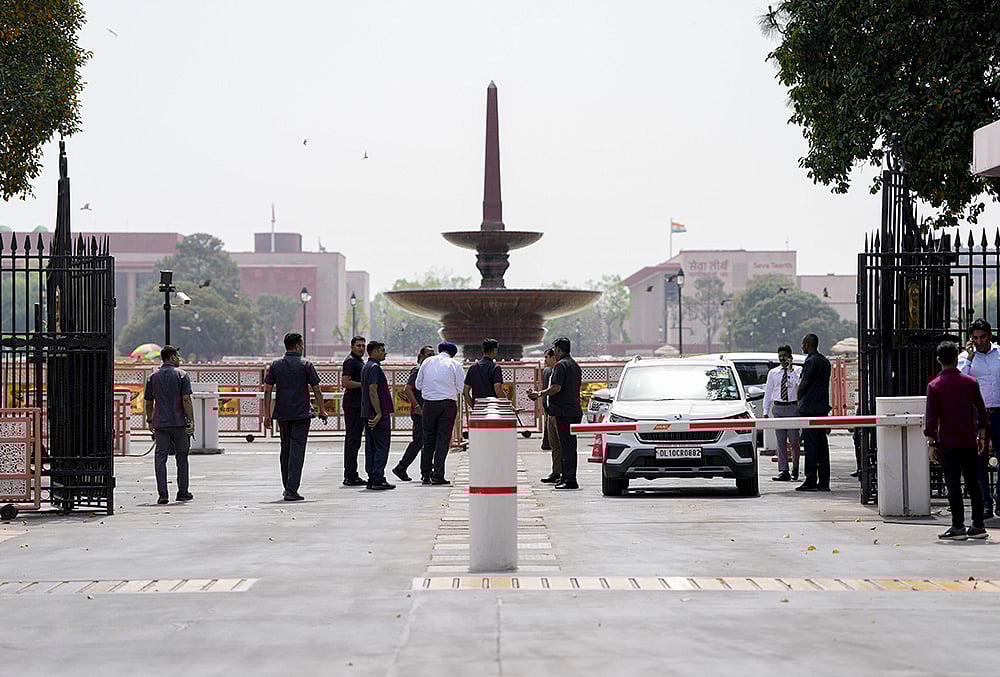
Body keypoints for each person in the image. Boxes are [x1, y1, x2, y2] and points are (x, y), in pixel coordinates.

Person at [925, 341, 989, 540]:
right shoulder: (970, 382)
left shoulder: (934, 386)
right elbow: (981, 410)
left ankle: (958, 526)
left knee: (953, 484)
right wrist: (982, 436)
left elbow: (932, 417)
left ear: (938, 360)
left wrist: (931, 442)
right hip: (969, 440)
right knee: (973, 483)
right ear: (956, 358)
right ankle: (978, 525)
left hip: (947, 441)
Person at [264, 332, 327, 501]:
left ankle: (287, 486)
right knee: (297, 450)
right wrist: (322, 409)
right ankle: (292, 489)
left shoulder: (275, 365)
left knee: (285, 449)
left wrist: (266, 415)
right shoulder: (306, 365)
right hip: (301, 414)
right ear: (298, 345)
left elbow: (267, 390)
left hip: (282, 414)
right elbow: (317, 389)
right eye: (302, 344)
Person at [958, 318, 1000, 519]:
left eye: (982, 337)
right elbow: (958, 380)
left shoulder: (999, 354)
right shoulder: (966, 358)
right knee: (979, 461)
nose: (979, 341)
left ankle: (999, 499)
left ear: (990, 336)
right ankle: (985, 503)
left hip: (999, 412)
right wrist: (970, 358)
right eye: (975, 338)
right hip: (977, 415)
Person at [143, 345, 195, 505]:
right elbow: (186, 399)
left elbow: (149, 402)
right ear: (172, 357)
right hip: (179, 423)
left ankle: (163, 494)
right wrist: (191, 420)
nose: (179, 359)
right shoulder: (182, 375)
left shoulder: (152, 377)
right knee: (182, 457)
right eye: (177, 356)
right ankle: (182, 492)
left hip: (161, 423)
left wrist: (150, 420)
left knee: (160, 458)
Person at [529, 337, 582, 490]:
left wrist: (540, 394)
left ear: (559, 350)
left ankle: (570, 479)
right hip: (573, 410)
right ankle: (565, 476)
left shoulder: (561, 365)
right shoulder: (574, 365)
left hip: (563, 412)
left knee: (566, 446)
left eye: (555, 350)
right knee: (569, 446)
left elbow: (556, 388)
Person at [415, 341, 465, 486]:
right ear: (453, 353)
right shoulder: (455, 364)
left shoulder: (427, 362)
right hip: (447, 405)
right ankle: (438, 475)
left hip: (429, 404)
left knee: (428, 438)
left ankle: (425, 474)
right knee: (443, 440)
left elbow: (418, 385)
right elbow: (460, 387)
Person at [795, 333, 832, 492]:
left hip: (810, 408)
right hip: (822, 408)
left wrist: (798, 398)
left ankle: (810, 480)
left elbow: (804, 384)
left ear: (808, 344)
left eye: (803, 344)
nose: (801, 346)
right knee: (822, 445)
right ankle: (824, 481)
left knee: (811, 446)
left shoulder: (810, 361)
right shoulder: (825, 361)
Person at [392, 345, 435, 482]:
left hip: (427, 411)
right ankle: (402, 467)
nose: (432, 357)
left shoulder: (430, 371)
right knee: (420, 441)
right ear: (421, 356)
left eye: (433, 354)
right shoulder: (417, 371)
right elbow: (407, 389)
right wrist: (416, 406)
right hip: (420, 412)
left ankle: (425, 470)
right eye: (429, 354)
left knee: (425, 442)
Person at [763, 344, 802, 482]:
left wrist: (791, 369)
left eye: (784, 356)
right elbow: (768, 393)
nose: (782, 359)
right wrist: (765, 411)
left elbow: (800, 384)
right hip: (779, 408)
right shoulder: (773, 373)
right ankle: (783, 470)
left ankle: (795, 468)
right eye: (780, 356)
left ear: (790, 356)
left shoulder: (797, 370)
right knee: (780, 442)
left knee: (794, 441)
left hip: (792, 407)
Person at [360, 340, 395, 490]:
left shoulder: (366, 367)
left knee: (371, 445)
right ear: (374, 352)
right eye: (382, 350)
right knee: (382, 445)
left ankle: (372, 476)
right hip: (377, 413)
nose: (384, 352)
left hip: (367, 411)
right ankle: (378, 477)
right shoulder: (374, 368)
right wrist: (379, 411)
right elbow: (372, 390)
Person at [340, 335, 368, 487]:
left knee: (355, 440)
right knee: (352, 440)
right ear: (352, 347)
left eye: (363, 346)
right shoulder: (350, 361)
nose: (361, 348)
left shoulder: (358, 361)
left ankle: (352, 473)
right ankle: (350, 474)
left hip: (359, 404)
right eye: (358, 346)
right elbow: (345, 382)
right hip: (353, 405)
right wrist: (364, 384)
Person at [539, 348, 562, 483]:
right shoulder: (548, 371)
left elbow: (555, 389)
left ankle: (565, 473)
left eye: (547, 357)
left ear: (554, 357)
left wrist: (540, 394)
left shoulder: (561, 370)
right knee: (554, 445)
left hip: (559, 412)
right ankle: (556, 471)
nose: (545, 360)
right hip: (550, 411)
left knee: (562, 444)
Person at [463, 338, 505, 408]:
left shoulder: (472, 368)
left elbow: (465, 391)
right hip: (492, 408)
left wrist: (473, 406)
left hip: (478, 408)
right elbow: (498, 390)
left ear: (483, 350)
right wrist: (509, 406)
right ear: (495, 350)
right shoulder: (495, 368)